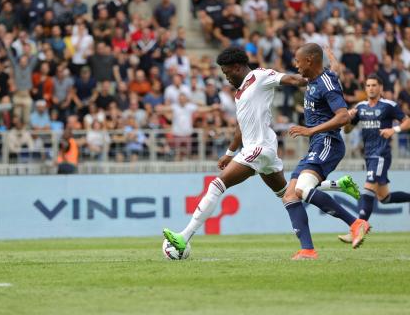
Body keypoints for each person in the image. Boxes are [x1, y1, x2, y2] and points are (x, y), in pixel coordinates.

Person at [163, 47, 329, 259]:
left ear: (237, 67)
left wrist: (324, 77)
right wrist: (230, 152)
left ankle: (183, 237)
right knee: (289, 195)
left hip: (259, 148)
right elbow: (241, 127)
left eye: (226, 72)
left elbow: (295, 80)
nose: (226, 77)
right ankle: (313, 238)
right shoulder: (240, 92)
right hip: (260, 150)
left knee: (216, 185)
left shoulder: (260, 76)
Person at [282, 43, 369, 260]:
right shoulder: (318, 79)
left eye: (297, 60)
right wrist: (332, 57)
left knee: (302, 189)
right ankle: (308, 250)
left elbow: (343, 116)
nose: (296, 65)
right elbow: (334, 71)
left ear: (309, 61)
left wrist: (310, 130)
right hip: (317, 143)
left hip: (327, 141)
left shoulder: (326, 83)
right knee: (290, 195)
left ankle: (356, 223)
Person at [338, 74, 410, 243]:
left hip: (381, 154)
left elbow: (407, 121)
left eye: (374, 85)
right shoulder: (360, 107)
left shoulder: (389, 106)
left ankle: (358, 229)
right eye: (368, 85)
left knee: (368, 189)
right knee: (384, 198)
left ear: (381, 88)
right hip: (369, 155)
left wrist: (394, 130)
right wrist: (348, 117)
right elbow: (347, 130)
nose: (371, 88)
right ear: (365, 88)